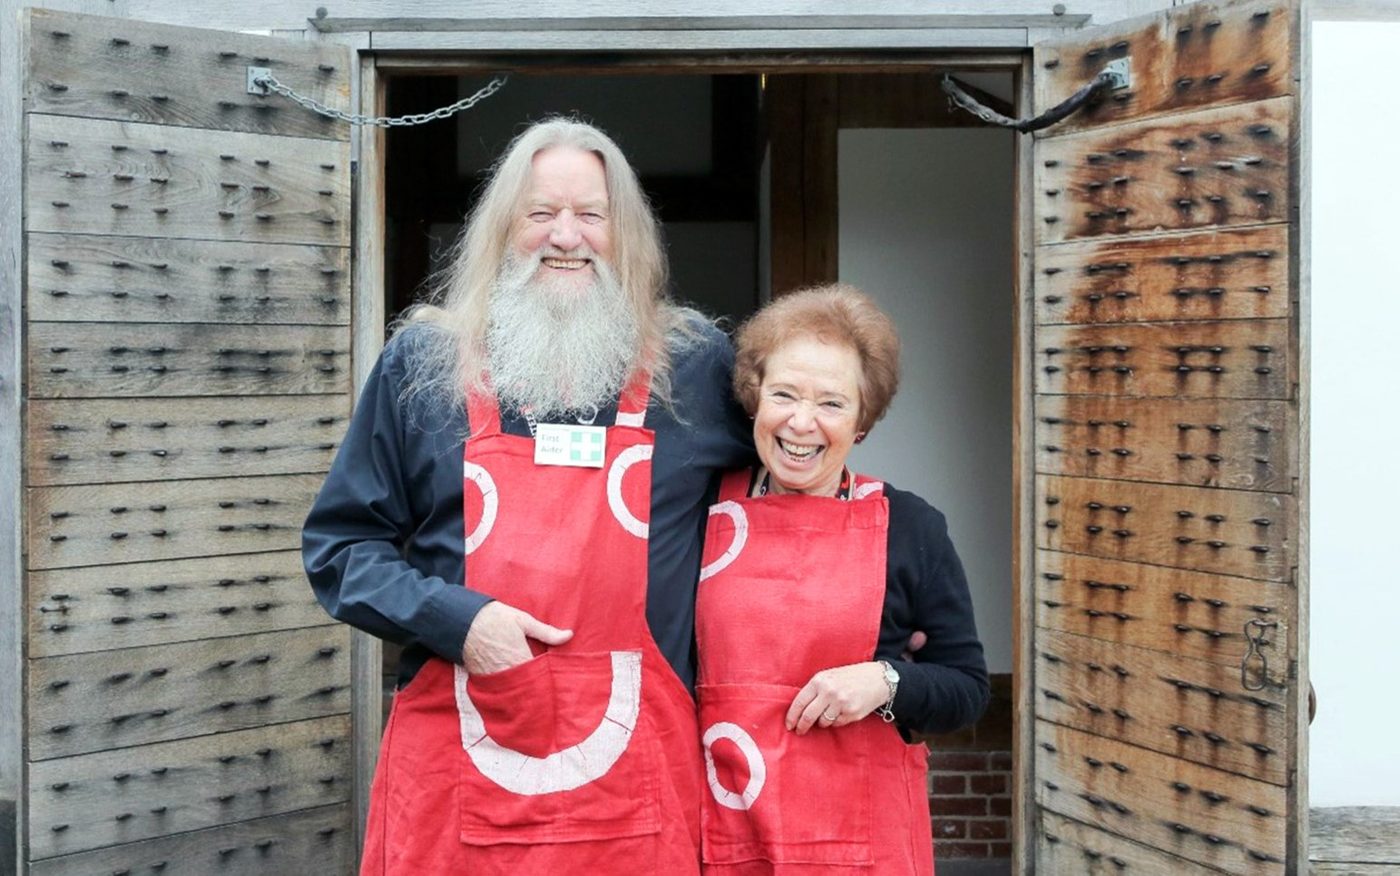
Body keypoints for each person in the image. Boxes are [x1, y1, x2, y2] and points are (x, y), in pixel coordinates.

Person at [302, 118, 752, 874]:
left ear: (627, 233)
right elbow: (341, 550)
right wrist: (457, 619)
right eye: (540, 214)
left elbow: (791, 492)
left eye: (590, 216)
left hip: (637, 793)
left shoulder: (695, 367)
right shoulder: (426, 364)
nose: (565, 237)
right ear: (502, 229)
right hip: (460, 782)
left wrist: (884, 624)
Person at [694, 284, 989, 875]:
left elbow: (967, 689)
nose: (801, 423)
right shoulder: (697, 510)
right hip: (726, 819)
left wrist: (885, 681)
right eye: (783, 395)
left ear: (861, 423)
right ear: (754, 399)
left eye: (831, 403)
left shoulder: (910, 527)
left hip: (862, 836)